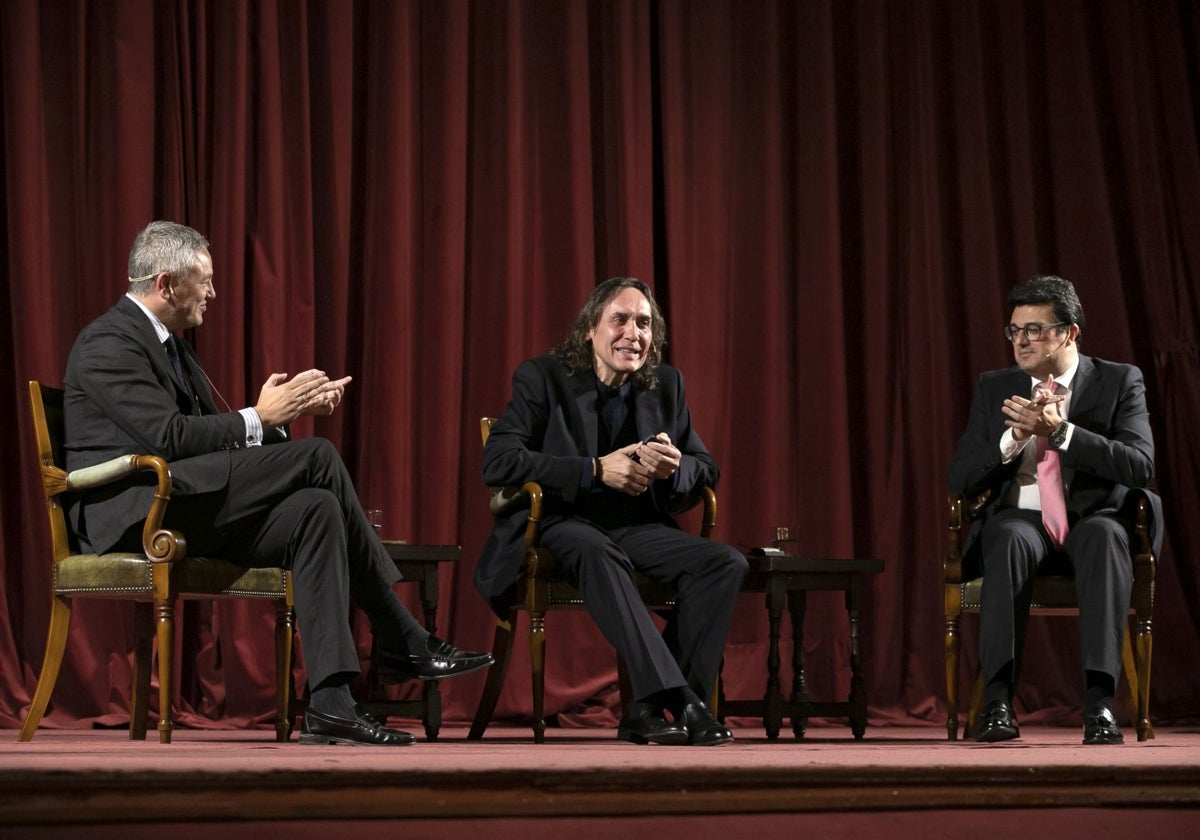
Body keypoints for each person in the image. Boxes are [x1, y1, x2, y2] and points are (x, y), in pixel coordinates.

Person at [63, 220, 493, 747]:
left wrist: (282, 418)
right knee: (317, 456)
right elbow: (168, 437)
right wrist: (260, 418)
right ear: (166, 282)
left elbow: (207, 441)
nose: (213, 293)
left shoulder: (172, 345)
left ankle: (333, 703)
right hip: (134, 511)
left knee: (316, 508)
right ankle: (400, 634)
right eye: (205, 280)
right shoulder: (109, 340)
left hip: (179, 500)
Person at [477, 276, 748, 746]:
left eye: (644, 323)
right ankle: (686, 703)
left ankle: (645, 708)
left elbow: (705, 468)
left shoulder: (665, 384)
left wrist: (675, 467)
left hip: (635, 525)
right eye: (619, 320)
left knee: (724, 563)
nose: (633, 333)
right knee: (597, 550)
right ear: (590, 329)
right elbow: (499, 461)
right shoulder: (542, 376)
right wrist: (594, 470)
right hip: (560, 523)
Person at [947, 275, 1161, 745]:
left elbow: (1139, 465)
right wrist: (1013, 438)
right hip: (1023, 520)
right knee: (1004, 535)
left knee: (1107, 537)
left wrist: (1062, 432)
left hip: (1091, 519)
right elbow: (959, 477)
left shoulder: (1119, 380)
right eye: (1015, 330)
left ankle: (1100, 707)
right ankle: (997, 704)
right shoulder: (995, 386)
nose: (1022, 341)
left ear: (1069, 333)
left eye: (1036, 330)